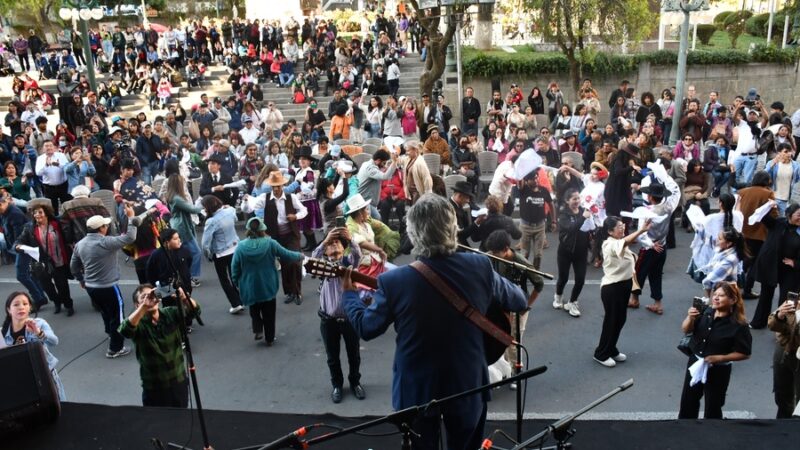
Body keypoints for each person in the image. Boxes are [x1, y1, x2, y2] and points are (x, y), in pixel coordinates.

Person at [342, 194, 528, 450]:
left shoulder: (394, 282)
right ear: (453, 228)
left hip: (417, 390)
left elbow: (366, 327)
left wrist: (349, 295)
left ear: (414, 233)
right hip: (467, 383)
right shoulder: (480, 266)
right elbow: (518, 300)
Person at [678, 282, 752, 419]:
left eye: (721, 296)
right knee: (688, 402)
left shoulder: (739, 325)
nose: (716, 298)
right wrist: (690, 317)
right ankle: (685, 430)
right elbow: (685, 329)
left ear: (733, 300)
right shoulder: (705, 311)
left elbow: (745, 353)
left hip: (718, 369)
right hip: (695, 362)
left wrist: (720, 358)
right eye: (715, 295)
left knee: (713, 406)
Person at [119, 284, 199, 407]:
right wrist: (143, 308)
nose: (149, 298)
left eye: (151, 295)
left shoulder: (169, 314)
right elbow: (125, 330)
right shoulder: (139, 324)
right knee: (156, 422)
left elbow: (195, 311)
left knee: (181, 420)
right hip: (153, 387)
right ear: (136, 305)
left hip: (178, 382)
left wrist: (184, 298)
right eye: (144, 297)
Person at [71, 210, 136, 358]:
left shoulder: (80, 244)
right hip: (108, 286)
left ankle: (110, 333)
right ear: (101, 228)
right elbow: (131, 237)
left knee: (105, 312)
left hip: (91, 287)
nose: (107, 227)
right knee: (117, 316)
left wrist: (81, 279)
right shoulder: (106, 242)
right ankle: (115, 348)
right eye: (105, 225)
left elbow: (73, 266)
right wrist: (131, 217)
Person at [312, 227, 365, 403]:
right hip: (328, 321)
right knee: (332, 357)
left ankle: (355, 382)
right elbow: (312, 261)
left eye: (337, 242)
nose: (334, 245)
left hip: (349, 320)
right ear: (326, 250)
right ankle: (337, 385)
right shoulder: (322, 267)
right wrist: (325, 240)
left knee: (354, 355)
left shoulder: (349, 263)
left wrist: (350, 240)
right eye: (330, 244)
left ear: (343, 249)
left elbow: (357, 255)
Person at [485, 229, 543, 389]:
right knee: (500, 338)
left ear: (506, 249)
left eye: (495, 252)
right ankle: (504, 370)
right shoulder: (493, 257)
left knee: (513, 341)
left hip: (517, 306)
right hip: (500, 305)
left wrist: (526, 306)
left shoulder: (520, 262)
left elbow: (539, 283)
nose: (492, 254)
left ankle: (517, 372)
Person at [231, 217, 304, 345]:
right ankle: (270, 338)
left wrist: (236, 282)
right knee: (269, 313)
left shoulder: (240, 247)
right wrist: (300, 255)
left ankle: (258, 329)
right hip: (267, 284)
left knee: (254, 310)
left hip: (249, 285)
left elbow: (235, 267)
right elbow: (286, 254)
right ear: (262, 229)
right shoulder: (270, 243)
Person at [241, 171, 308, 305]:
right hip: (276, 236)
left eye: (279, 186)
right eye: (274, 186)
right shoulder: (264, 198)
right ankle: (289, 292)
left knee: (294, 262)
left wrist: (296, 217)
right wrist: (245, 200)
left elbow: (304, 210)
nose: (276, 189)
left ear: (283, 185)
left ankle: (297, 292)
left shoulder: (291, 197)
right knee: (284, 264)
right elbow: (248, 209)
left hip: (291, 235)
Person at [594, 216, 652, 367]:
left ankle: (611, 348)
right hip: (612, 288)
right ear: (609, 231)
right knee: (611, 321)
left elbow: (626, 242)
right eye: (619, 226)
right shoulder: (609, 244)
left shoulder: (619, 243)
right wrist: (641, 230)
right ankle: (601, 353)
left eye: (623, 225)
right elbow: (624, 242)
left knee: (620, 320)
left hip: (623, 287)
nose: (622, 228)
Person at [629, 166, 681, 314]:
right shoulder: (669, 206)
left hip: (649, 247)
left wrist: (651, 244)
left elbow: (641, 234)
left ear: (650, 197)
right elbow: (675, 190)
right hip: (662, 246)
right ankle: (657, 303)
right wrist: (665, 176)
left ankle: (634, 299)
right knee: (656, 275)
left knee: (638, 273)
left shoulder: (647, 212)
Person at [15, 200, 74, 316]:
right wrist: (17, 246)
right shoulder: (29, 228)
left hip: (59, 261)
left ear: (46, 213)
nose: (37, 215)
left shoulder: (57, 223)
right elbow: (20, 240)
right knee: (48, 287)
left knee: (62, 285)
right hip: (41, 264)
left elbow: (68, 234)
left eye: (40, 212)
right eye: (35, 213)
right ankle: (57, 303)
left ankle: (68, 305)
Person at [2, 291, 65, 400]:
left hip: (44, 374)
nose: (21, 307)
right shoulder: (3, 333)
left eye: (25, 304)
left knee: (57, 405)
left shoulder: (39, 323)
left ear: (30, 308)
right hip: (21, 379)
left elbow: (54, 341)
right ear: (9, 310)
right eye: (16, 304)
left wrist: (37, 332)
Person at [750, 202, 800, 329]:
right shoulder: (778, 223)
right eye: (798, 214)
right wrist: (768, 206)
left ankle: (783, 328)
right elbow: (761, 215)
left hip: (790, 269)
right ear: (789, 214)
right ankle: (759, 322)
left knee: (787, 298)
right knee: (766, 294)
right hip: (771, 264)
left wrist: (795, 263)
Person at [0, 195, 48, 309]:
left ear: (5, 202)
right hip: (18, 247)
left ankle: (39, 298)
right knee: (30, 274)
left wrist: (16, 248)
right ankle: (41, 296)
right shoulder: (5, 212)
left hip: (24, 247)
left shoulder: (15, 214)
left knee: (21, 275)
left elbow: (20, 237)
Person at [200, 195, 243, 314]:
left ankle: (235, 303)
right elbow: (235, 218)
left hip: (220, 253)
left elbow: (205, 243)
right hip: (235, 247)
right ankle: (241, 299)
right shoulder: (230, 211)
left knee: (224, 280)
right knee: (235, 276)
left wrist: (208, 255)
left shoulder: (211, 221)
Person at [553, 189, 593, 317]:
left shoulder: (583, 211)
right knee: (563, 278)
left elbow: (590, 228)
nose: (577, 201)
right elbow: (571, 229)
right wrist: (583, 218)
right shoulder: (563, 214)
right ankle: (558, 295)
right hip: (565, 252)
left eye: (578, 198)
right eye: (574, 199)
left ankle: (572, 302)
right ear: (567, 200)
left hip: (581, 253)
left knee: (580, 279)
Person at [165, 173, 203, 286]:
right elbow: (193, 209)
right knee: (196, 252)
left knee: (183, 254)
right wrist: (203, 203)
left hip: (178, 225)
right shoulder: (177, 198)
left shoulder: (172, 196)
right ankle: (189, 277)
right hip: (183, 228)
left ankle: (184, 276)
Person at [768, 297, 800, 418]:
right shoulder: (794, 302)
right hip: (784, 350)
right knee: (781, 393)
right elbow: (772, 325)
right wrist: (780, 315)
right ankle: (783, 423)